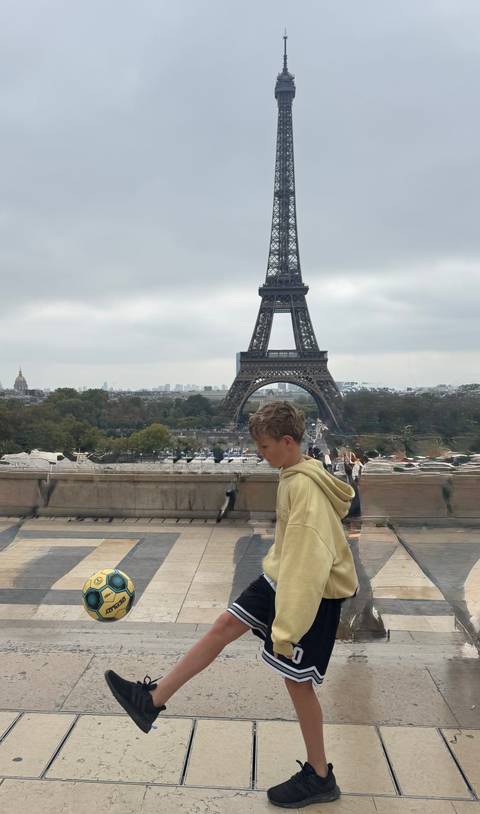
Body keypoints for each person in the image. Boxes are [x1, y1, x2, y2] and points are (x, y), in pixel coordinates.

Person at [104, 401, 358, 808]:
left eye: (265, 446)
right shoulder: (294, 472)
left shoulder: (304, 488)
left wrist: (287, 630)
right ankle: (150, 701)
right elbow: (295, 559)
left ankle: (321, 775)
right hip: (282, 576)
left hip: (309, 591)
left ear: (288, 442)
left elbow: (309, 566)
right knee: (224, 625)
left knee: (297, 681)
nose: (261, 454)